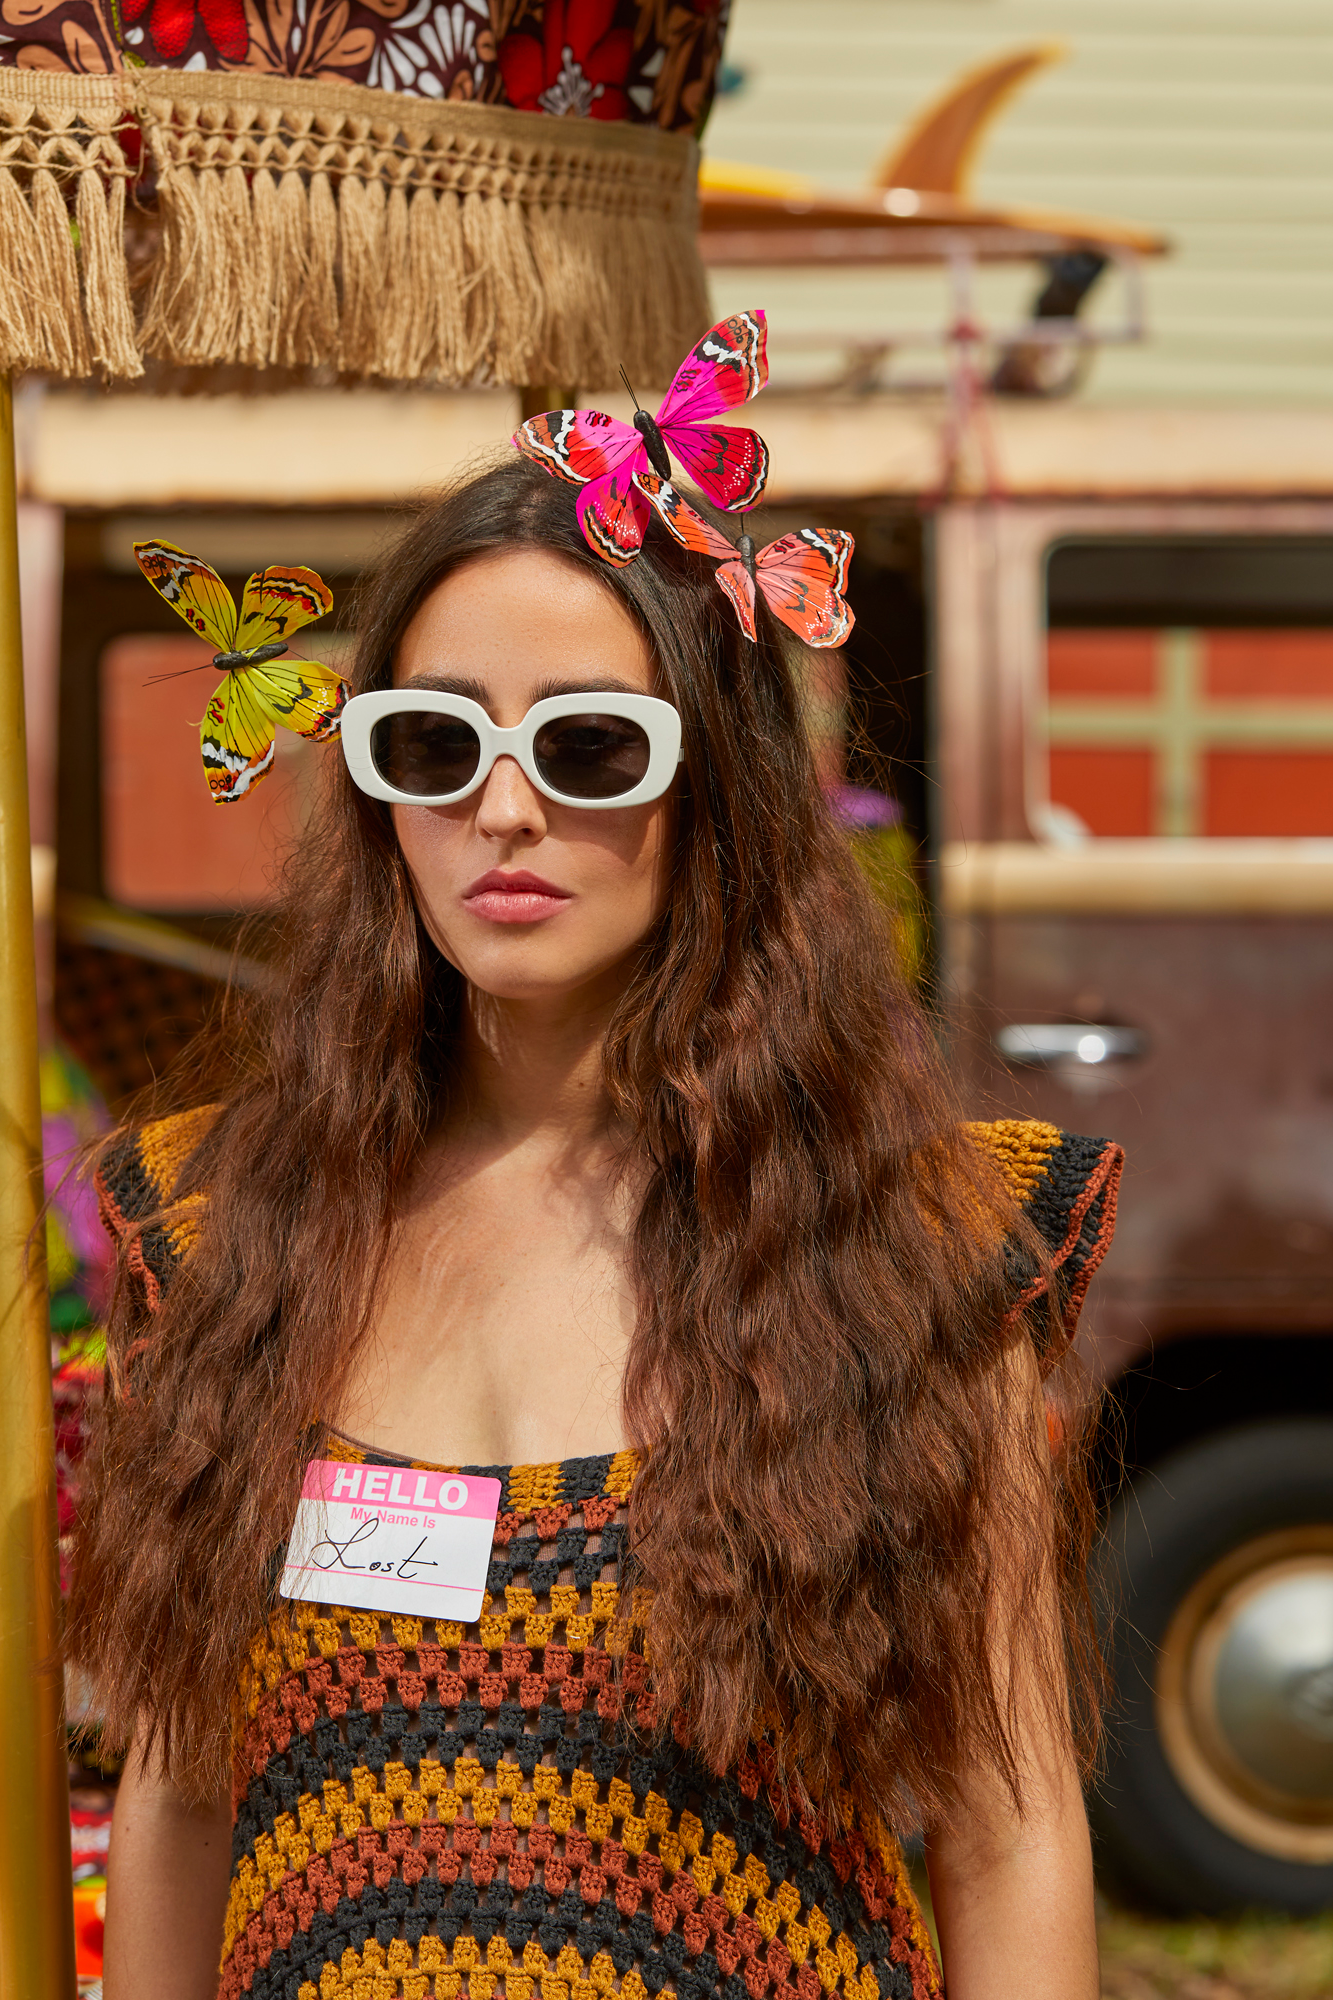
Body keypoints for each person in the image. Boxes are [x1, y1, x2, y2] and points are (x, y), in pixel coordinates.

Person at [70, 456, 1116, 2000]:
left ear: (717, 786)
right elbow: (176, 1804)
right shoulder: (227, 1239)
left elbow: (1006, 1833)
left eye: (589, 746)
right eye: (434, 744)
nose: (504, 808)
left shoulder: (905, 1251)